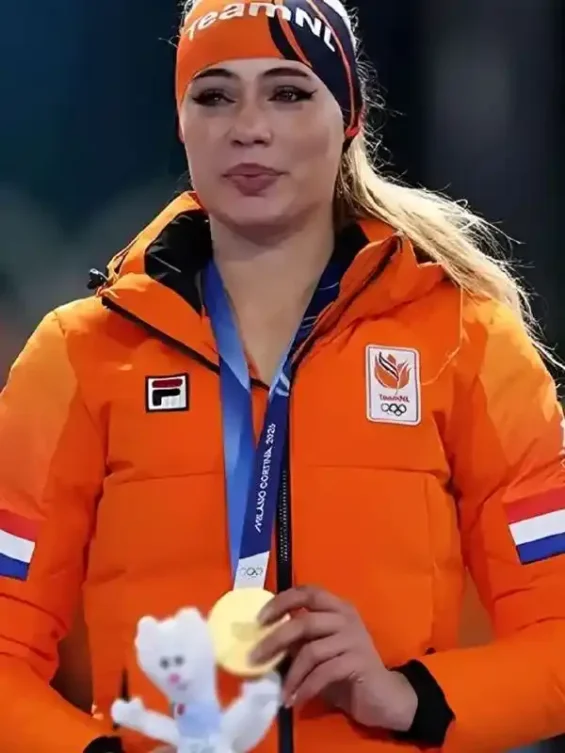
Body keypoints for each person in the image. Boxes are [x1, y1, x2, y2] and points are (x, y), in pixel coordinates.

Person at [1, 0, 565, 751]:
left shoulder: (464, 341)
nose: (249, 127)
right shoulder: (80, 357)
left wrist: (410, 696)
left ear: (350, 118)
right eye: (214, 95)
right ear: (181, 122)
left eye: (288, 92)